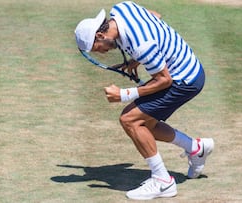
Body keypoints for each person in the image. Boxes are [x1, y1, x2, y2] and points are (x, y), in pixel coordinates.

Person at [74, 1, 214, 200]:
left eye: (96, 48)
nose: (100, 52)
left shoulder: (141, 46)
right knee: (145, 124)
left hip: (184, 80)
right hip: (191, 67)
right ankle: (197, 148)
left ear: (100, 35)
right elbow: (155, 16)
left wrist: (123, 94)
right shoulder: (122, 8)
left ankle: (163, 182)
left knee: (130, 120)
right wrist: (137, 60)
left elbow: (164, 80)